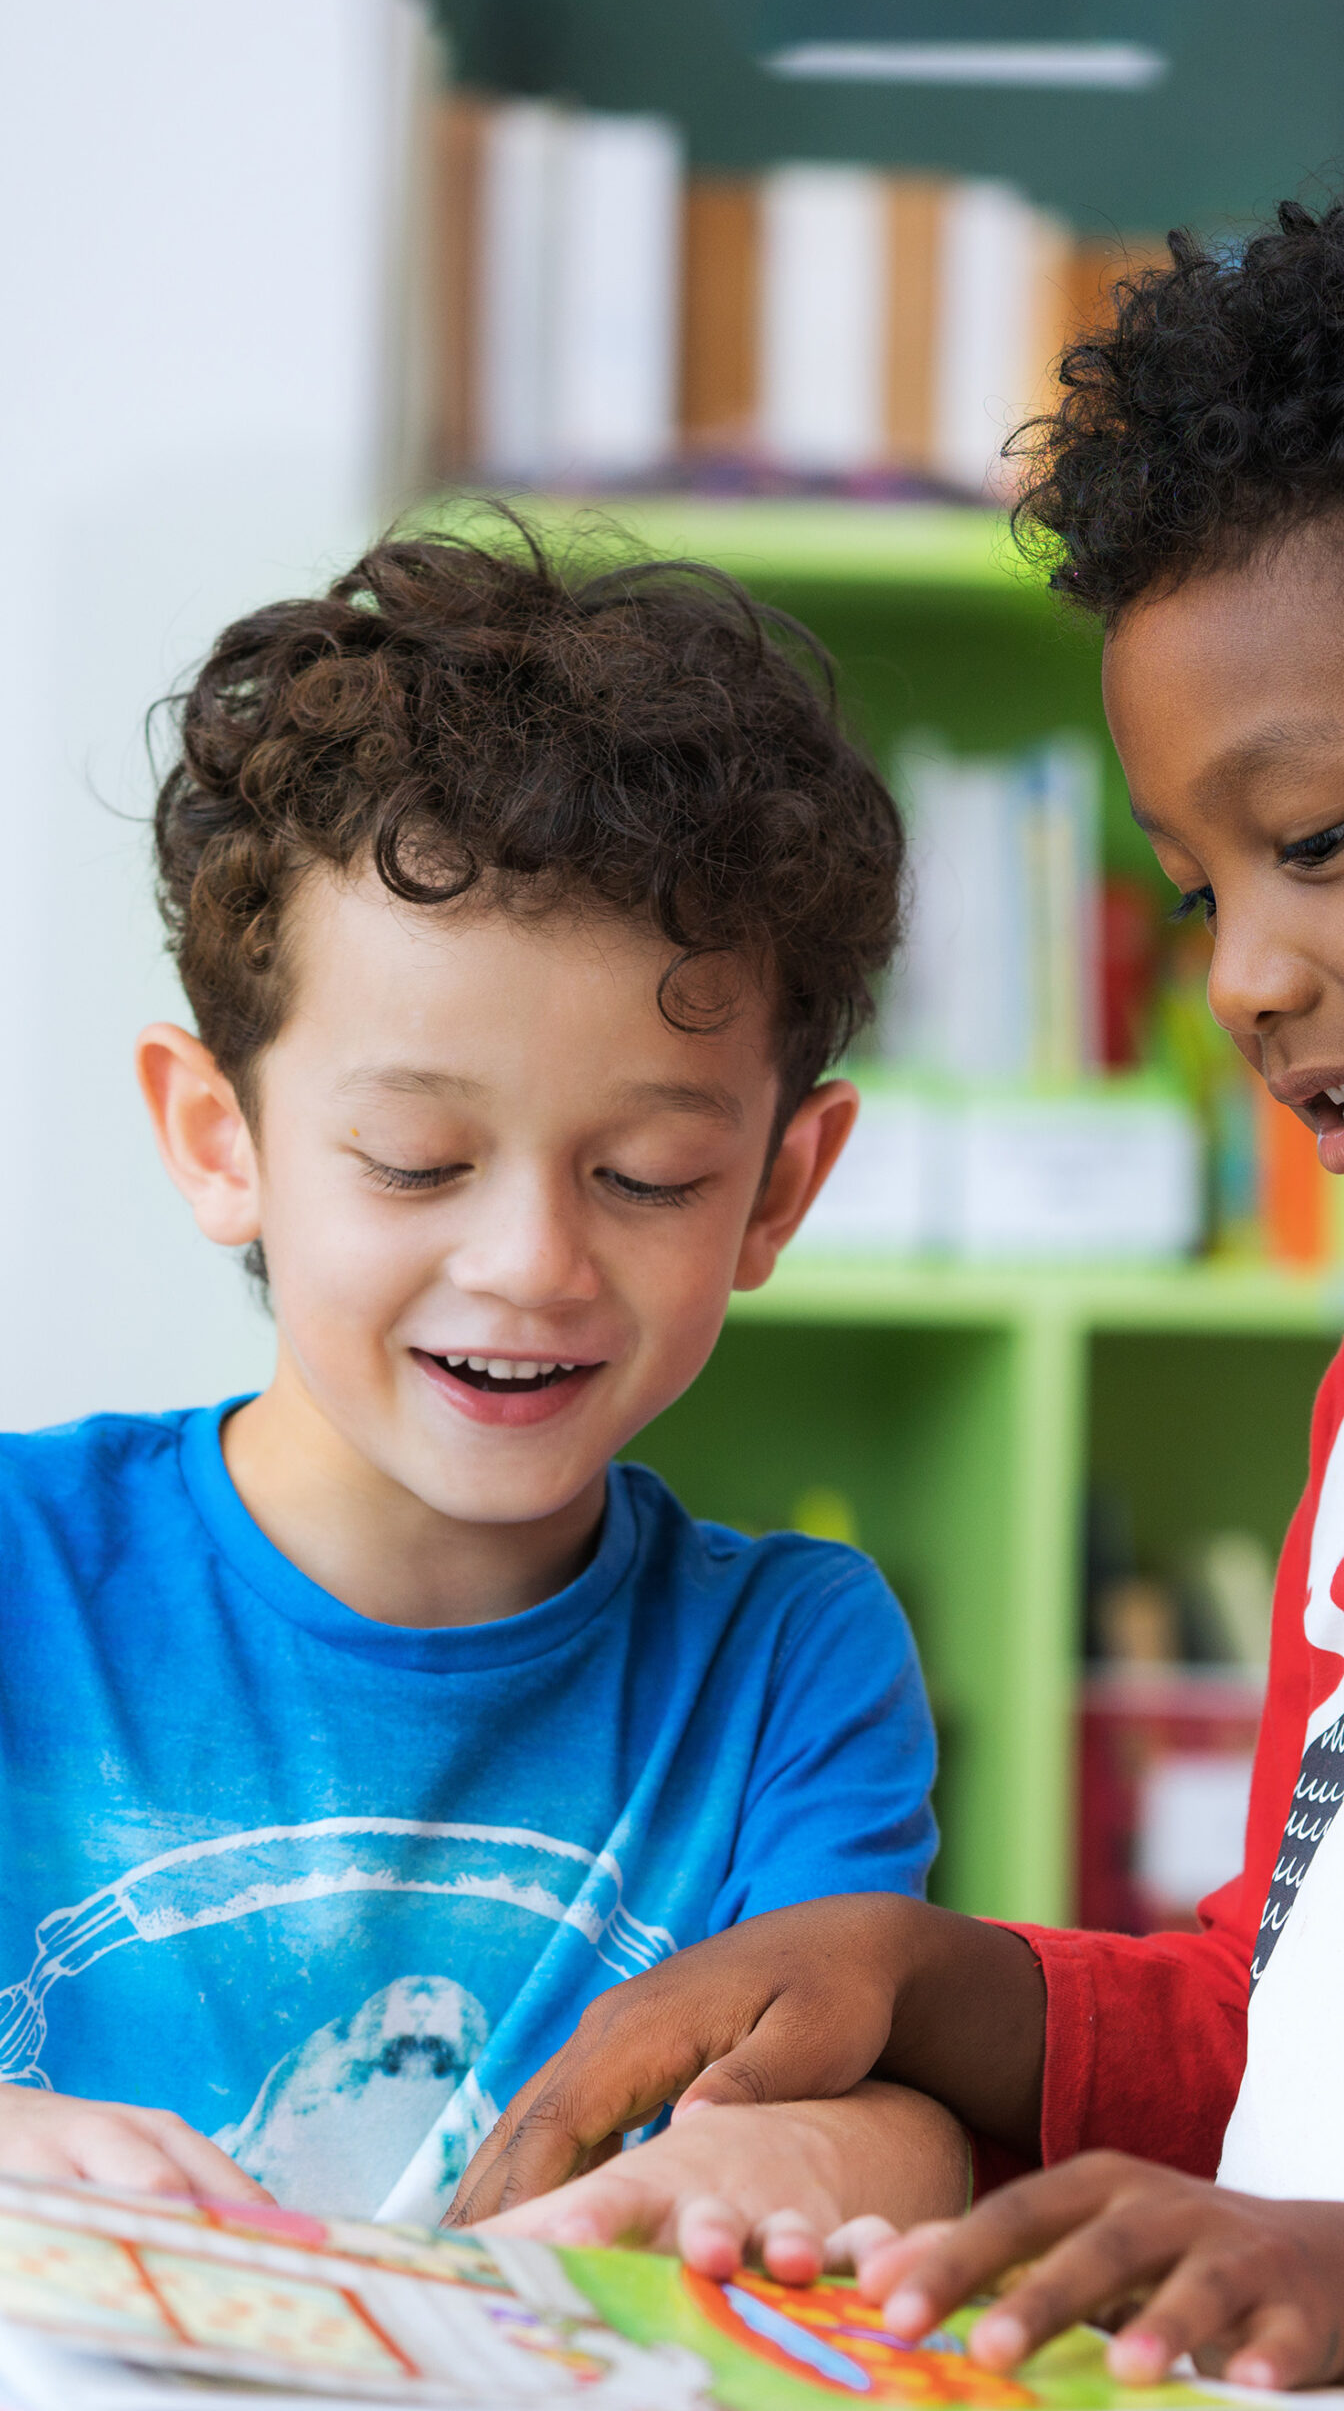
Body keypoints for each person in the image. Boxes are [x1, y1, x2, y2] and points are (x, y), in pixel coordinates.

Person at [445, 123, 1344, 2411]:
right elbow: (1309, 2018)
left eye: (1315, 841)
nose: (1240, 975)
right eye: (1201, 886)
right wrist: (940, 1981)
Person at [0, 523, 946, 2226]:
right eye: (421, 1159)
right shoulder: (22, 1571)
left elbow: (892, 2120)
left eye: (646, 1175)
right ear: (224, 1141)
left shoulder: (787, 1662)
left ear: (776, 1192)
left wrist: (782, 2164)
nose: (531, 1263)